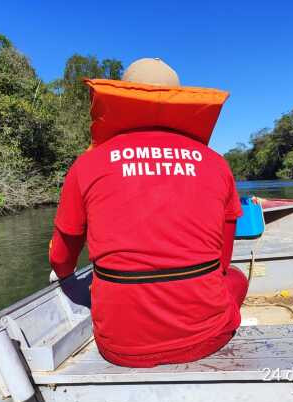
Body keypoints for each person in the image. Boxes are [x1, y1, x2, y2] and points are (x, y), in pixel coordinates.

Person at [48, 58, 248, 368]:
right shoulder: (216, 163)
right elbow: (222, 263)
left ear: (123, 97)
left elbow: (61, 258)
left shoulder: (87, 164)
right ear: (178, 100)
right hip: (209, 336)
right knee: (236, 278)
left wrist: (65, 278)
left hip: (120, 346)